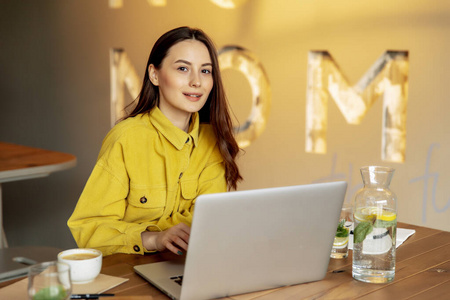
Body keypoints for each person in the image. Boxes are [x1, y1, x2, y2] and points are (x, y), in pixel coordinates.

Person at [68, 26, 242, 256]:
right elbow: (89, 228)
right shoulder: (126, 138)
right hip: (128, 274)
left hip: (189, 267)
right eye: (183, 68)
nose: (196, 82)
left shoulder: (213, 141)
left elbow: (208, 221)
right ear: (154, 74)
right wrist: (154, 239)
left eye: (206, 71)